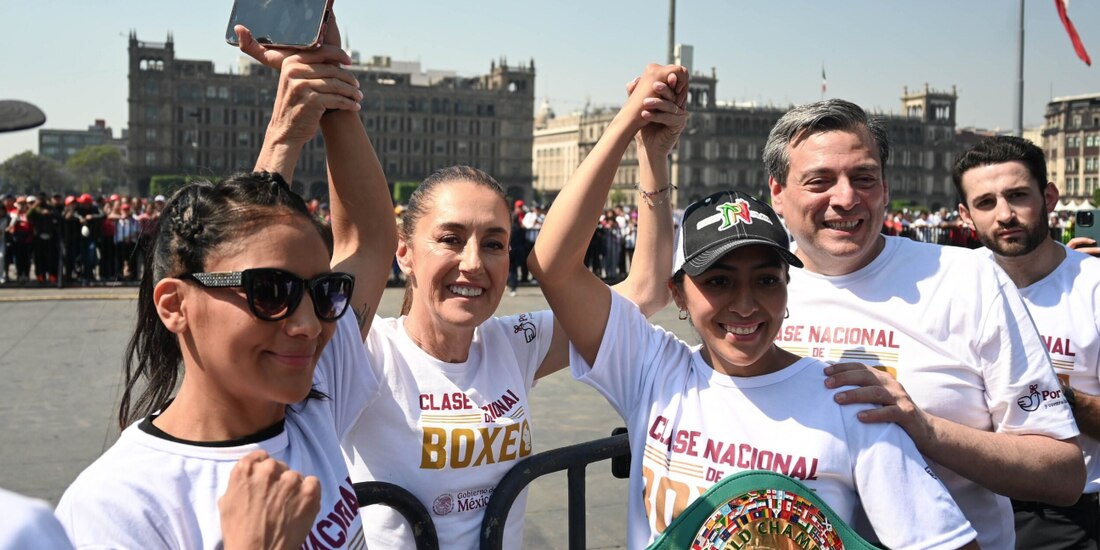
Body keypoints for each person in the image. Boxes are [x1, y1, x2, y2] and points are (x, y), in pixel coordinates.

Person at [530, 65, 978, 550]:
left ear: (789, 286)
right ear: (678, 293)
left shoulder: (850, 402)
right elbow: (553, 265)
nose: (744, 304)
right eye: (718, 281)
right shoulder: (650, 369)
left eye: (766, 280)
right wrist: (633, 130)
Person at [55, 19, 396, 548]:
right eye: (270, 293)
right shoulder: (114, 506)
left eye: (324, 292)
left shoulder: (312, 400)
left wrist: (327, 80)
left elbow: (369, 239)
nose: (308, 324)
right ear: (175, 304)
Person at [339, 72, 674, 549]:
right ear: (404, 253)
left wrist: (648, 149)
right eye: (450, 240)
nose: (473, 264)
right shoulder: (368, 354)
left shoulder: (513, 343)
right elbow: (352, 239)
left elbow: (645, 290)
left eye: (493, 244)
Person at [764, 98, 1083, 549]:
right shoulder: (755, 293)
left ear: (886, 187)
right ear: (777, 191)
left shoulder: (967, 278)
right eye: (819, 180)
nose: (846, 198)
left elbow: (1063, 474)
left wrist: (925, 429)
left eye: (864, 178)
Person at [953, 135, 1100, 549]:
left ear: (1049, 197)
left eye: (1018, 196)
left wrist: (1060, 398)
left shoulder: (1092, 288)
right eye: (985, 203)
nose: (1005, 215)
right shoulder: (950, 285)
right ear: (965, 214)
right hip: (968, 505)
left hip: (1064, 514)